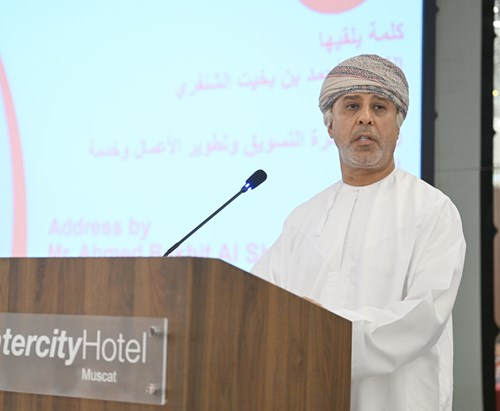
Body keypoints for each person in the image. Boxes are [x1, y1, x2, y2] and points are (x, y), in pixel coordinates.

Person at [251, 54, 466, 411]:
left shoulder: (432, 211)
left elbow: (423, 316)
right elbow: (257, 302)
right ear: (330, 126)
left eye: (379, 107)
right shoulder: (302, 220)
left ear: (397, 126)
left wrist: (326, 331)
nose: (365, 117)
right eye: (352, 106)